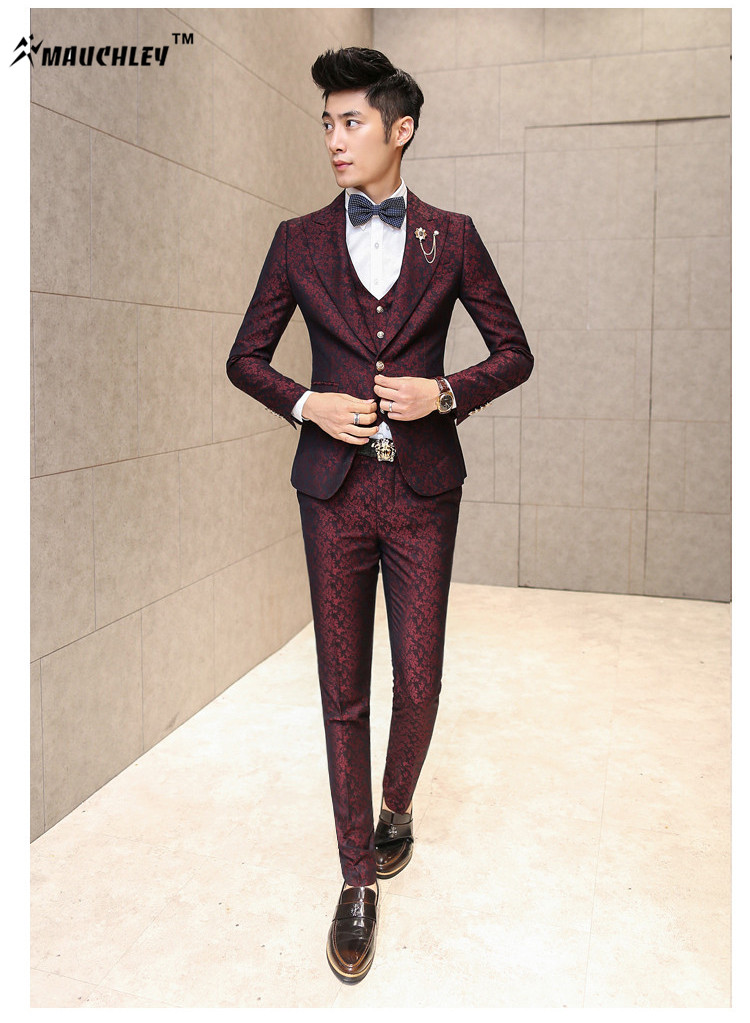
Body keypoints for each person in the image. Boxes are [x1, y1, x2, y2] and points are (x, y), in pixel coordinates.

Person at [226, 46, 533, 983]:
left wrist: (445, 392)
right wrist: (305, 403)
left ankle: (396, 804)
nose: (333, 138)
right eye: (326, 121)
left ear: (401, 130)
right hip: (331, 492)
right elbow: (245, 357)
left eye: (351, 121)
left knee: (421, 681)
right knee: (342, 690)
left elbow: (514, 351)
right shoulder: (296, 240)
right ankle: (356, 877)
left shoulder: (453, 236)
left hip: (424, 492)